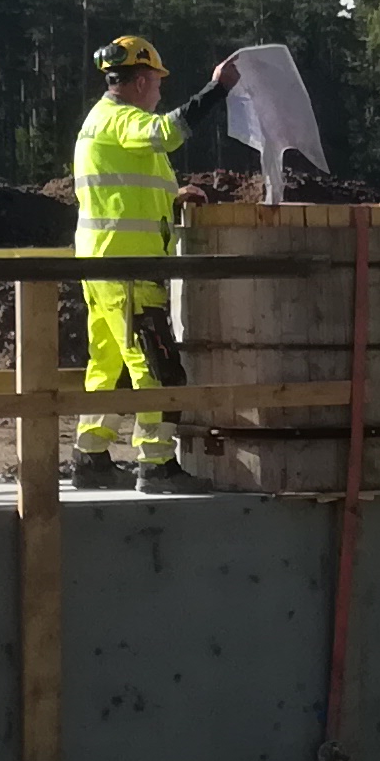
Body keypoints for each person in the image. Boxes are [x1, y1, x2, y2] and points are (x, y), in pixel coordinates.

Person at [73, 37, 240, 492]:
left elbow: (124, 193)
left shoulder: (102, 123)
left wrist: (173, 197)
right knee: (157, 369)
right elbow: (168, 132)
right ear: (142, 82)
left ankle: (90, 456)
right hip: (129, 268)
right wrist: (217, 89)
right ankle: (157, 464)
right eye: (158, 83)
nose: (160, 92)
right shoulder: (124, 120)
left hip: (103, 262)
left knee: (108, 365)